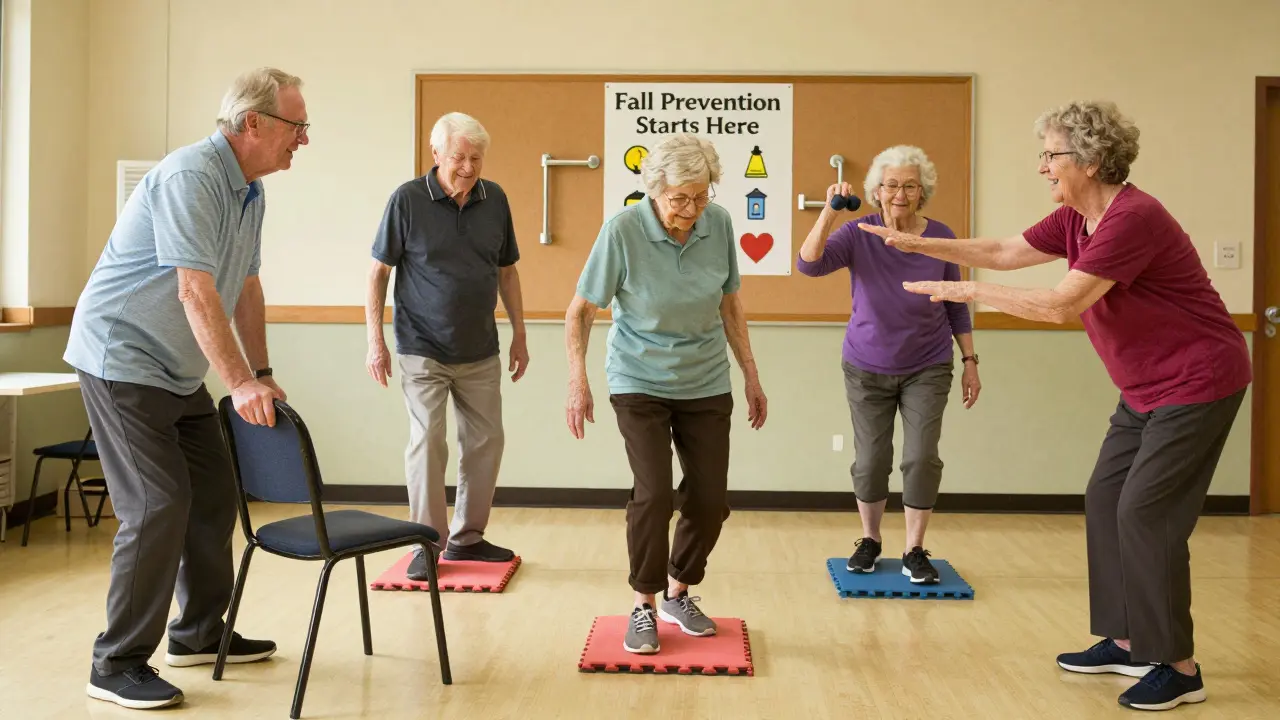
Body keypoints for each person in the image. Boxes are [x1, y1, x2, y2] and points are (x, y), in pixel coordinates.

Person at [860, 101, 1251, 712]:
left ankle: (1179, 666)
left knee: (1147, 514)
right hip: (1145, 387)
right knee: (1105, 498)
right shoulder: (1074, 218)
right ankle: (1126, 639)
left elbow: (1059, 305)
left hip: (1198, 380)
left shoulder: (1133, 219)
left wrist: (963, 291)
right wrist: (917, 243)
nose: (1042, 167)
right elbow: (1004, 251)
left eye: (1051, 154)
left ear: (1091, 161)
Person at [62, 67, 309, 710]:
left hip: (173, 369)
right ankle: (114, 662)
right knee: (157, 503)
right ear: (252, 122)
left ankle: (198, 632)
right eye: (296, 125)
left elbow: (245, 287)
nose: (303, 139)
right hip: (121, 359)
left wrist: (258, 372)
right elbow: (195, 290)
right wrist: (237, 382)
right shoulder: (192, 176)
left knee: (214, 493)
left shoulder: (250, 191)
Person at [564, 133, 768, 655]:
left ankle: (680, 589)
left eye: (701, 196)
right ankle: (644, 603)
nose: (691, 209)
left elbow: (731, 304)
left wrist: (750, 373)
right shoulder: (623, 231)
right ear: (654, 190)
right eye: (680, 198)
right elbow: (581, 311)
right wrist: (577, 381)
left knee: (710, 499)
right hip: (639, 379)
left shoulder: (717, 224)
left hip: (705, 379)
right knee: (653, 493)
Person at [796, 145, 981, 585]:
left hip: (928, 363)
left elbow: (955, 305)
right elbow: (809, 266)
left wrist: (970, 360)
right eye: (891, 185)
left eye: (910, 186)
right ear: (877, 191)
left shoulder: (939, 236)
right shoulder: (859, 232)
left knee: (920, 457)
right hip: (865, 364)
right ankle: (870, 540)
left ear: (923, 192)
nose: (900, 193)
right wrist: (828, 213)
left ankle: (914, 549)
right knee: (871, 460)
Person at [366, 111, 527, 579]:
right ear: (436, 154)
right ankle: (425, 544)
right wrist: (375, 339)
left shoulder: (494, 199)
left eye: (477, 158)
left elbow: (507, 271)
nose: (469, 167)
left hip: (480, 348)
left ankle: (468, 539)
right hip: (422, 347)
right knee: (428, 441)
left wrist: (519, 332)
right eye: (459, 157)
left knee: (486, 442)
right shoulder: (408, 200)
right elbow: (378, 273)